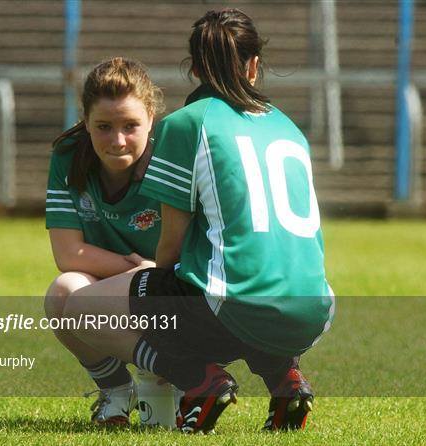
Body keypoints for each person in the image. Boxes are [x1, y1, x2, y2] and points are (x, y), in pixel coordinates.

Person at [62, 8, 335, 434]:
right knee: (240, 298)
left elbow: (169, 249)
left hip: (231, 307)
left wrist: (147, 298)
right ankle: (285, 378)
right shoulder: (289, 129)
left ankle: (198, 381)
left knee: (79, 308)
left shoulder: (188, 123)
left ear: (193, 69)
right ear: (254, 66)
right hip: (314, 311)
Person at [44, 57, 165, 425]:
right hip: (135, 276)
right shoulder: (68, 157)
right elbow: (68, 254)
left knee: (165, 421)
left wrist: (158, 276)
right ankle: (115, 388)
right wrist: (140, 270)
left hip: (174, 287)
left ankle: (175, 374)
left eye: (131, 126)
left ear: (151, 117)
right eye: (103, 127)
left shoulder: (171, 158)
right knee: (63, 291)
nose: (117, 140)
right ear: (84, 120)